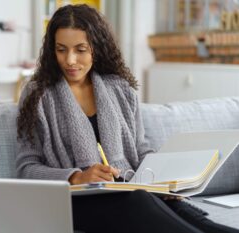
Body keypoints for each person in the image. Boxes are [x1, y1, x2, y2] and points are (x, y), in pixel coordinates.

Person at [16, 4, 239, 233]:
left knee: (184, 211)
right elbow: (26, 168)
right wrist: (76, 176)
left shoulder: (121, 89)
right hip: (75, 202)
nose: (70, 60)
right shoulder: (37, 94)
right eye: (61, 49)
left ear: (96, 47)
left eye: (80, 49)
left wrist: (162, 178)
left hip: (129, 190)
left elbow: (141, 150)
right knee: (139, 200)